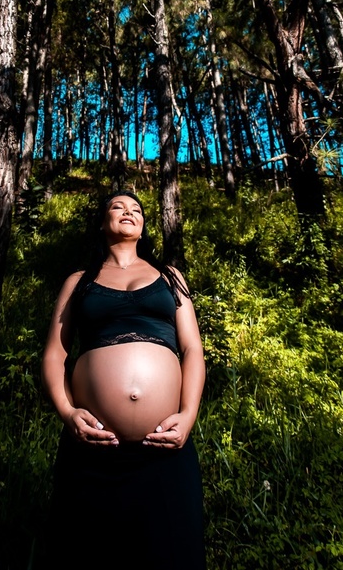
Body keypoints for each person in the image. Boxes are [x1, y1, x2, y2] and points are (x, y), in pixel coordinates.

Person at [41, 191, 206, 568]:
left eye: (136, 209)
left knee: (172, 554)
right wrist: (67, 413)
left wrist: (189, 415)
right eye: (118, 207)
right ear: (103, 223)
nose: (128, 212)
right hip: (92, 451)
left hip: (165, 449)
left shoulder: (169, 277)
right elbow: (54, 354)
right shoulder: (79, 281)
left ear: (144, 225)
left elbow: (193, 350)